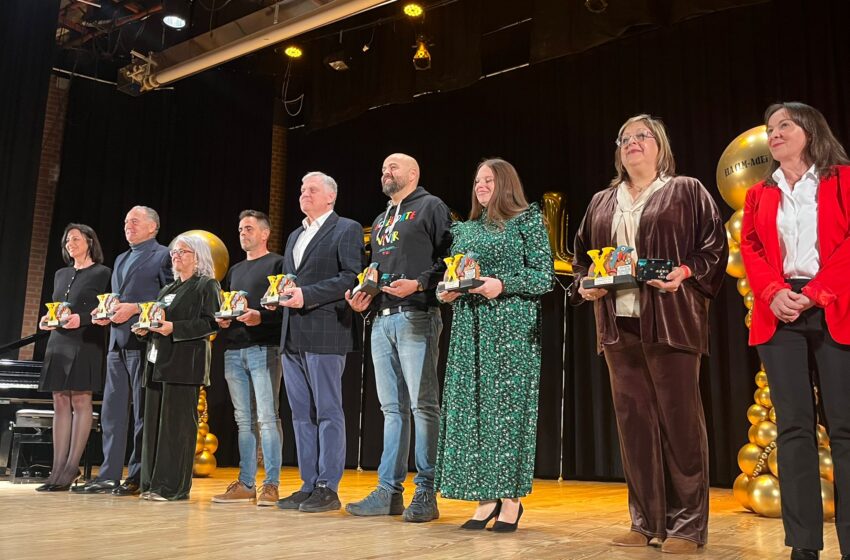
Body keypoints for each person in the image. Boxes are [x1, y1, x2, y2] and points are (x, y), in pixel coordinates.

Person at [572, 114, 727, 554]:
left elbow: (714, 248)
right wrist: (584, 284)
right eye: (624, 138)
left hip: (671, 322)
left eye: (642, 136)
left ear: (660, 145)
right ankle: (645, 522)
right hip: (618, 327)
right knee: (634, 426)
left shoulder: (686, 190)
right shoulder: (603, 201)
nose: (632, 143)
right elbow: (583, 258)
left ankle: (687, 527)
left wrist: (685, 271)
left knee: (680, 426)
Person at [740, 102, 850, 560]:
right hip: (779, 310)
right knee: (794, 429)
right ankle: (804, 545)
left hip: (834, 305)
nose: (775, 133)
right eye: (770, 128)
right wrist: (771, 292)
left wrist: (818, 291)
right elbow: (751, 246)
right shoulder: (758, 194)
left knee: (844, 428)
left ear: (810, 129)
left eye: (784, 124)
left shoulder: (843, 180)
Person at [434, 159, 553, 532]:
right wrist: (447, 289)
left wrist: (502, 283)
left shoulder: (526, 219)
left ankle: (511, 501)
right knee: (471, 411)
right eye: (477, 180)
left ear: (505, 184)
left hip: (511, 328)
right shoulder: (465, 229)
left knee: (505, 413)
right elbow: (455, 273)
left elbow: (544, 276)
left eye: (489, 179)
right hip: (469, 327)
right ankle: (485, 500)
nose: (480, 185)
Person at [345, 153, 452, 522]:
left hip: (417, 315)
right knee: (391, 409)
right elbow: (375, 269)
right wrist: (363, 295)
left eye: (393, 167)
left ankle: (426, 492)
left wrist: (421, 283)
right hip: (382, 318)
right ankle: (389, 492)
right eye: (382, 167)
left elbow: (451, 258)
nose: (385, 172)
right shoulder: (379, 219)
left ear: (413, 173)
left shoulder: (431, 206)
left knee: (423, 406)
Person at [274, 172, 364, 513]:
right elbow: (292, 278)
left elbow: (350, 276)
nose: (303, 194)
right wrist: (281, 293)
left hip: (327, 331)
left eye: (311, 189)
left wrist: (305, 296)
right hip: (292, 333)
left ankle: (328, 486)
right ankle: (308, 483)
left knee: (327, 410)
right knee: (300, 414)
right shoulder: (296, 234)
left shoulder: (347, 228)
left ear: (331, 197)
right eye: (301, 189)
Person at [75, 206, 172, 496]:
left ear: (153, 227)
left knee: (143, 412)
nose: (128, 225)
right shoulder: (121, 258)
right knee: (112, 413)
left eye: (135, 221)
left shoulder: (164, 254)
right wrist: (103, 312)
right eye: (126, 221)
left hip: (143, 343)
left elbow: (170, 299)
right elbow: (117, 298)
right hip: (116, 343)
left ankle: (138, 476)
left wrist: (138, 308)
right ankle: (108, 475)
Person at [133, 234, 219, 501]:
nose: (176, 256)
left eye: (182, 252)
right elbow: (158, 323)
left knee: (176, 430)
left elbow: (210, 323)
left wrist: (174, 328)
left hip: (184, 367)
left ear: (198, 256)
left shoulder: (206, 285)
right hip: (158, 365)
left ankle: (172, 488)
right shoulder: (167, 291)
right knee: (154, 430)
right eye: (173, 253)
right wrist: (144, 330)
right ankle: (151, 484)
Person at [211, 210, 284, 507]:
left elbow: (282, 307)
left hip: (264, 347)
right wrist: (225, 320)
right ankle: (245, 482)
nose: (243, 233)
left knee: (267, 418)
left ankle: (271, 484)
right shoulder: (236, 270)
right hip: (234, 349)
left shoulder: (277, 264)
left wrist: (261, 318)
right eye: (241, 228)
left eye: (249, 228)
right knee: (243, 421)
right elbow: (232, 305)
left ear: (264, 234)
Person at [36, 224, 111, 491]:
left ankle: (71, 468)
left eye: (75, 239)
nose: (70, 243)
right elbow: (57, 304)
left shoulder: (103, 273)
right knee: (59, 400)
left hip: (86, 341)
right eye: (67, 240)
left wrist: (84, 318)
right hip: (58, 341)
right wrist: (47, 319)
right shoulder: (61, 273)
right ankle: (57, 469)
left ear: (90, 241)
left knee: (80, 399)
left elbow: (107, 308)